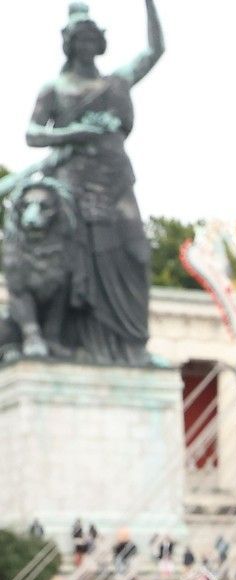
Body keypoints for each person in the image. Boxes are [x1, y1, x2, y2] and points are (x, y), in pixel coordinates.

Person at [23, 0, 164, 365]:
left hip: (116, 176)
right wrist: (76, 131)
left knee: (137, 253)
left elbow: (155, 50)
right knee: (79, 263)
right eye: (79, 39)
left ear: (98, 43)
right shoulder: (54, 87)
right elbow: (33, 133)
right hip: (74, 183)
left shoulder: (115, 81)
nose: (85, 45)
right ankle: (81, 343)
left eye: (91, 39)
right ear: (70, 44)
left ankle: (132, 345)